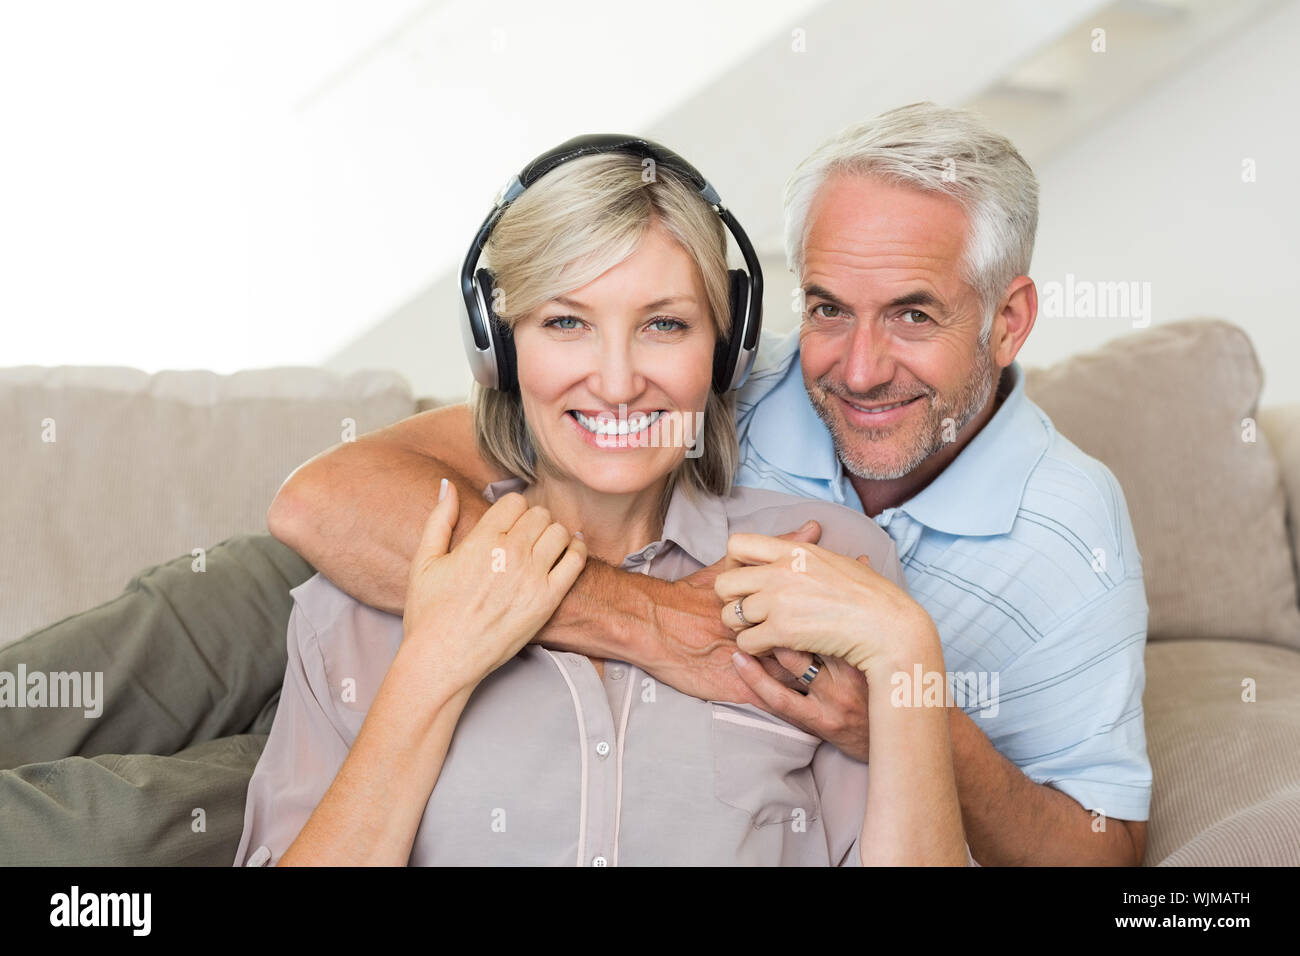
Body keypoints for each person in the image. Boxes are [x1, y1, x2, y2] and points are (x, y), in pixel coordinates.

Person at [270, 104, 1152, 866]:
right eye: (829, 308)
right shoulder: (735, 387)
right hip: (340, 554)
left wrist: (900, 691)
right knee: (158, 697)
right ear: (499, 349)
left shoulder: (1030, 541)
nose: (860, 367)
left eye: (914, 314)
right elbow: (319, 504)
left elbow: (1101, 852)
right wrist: (638, 621)